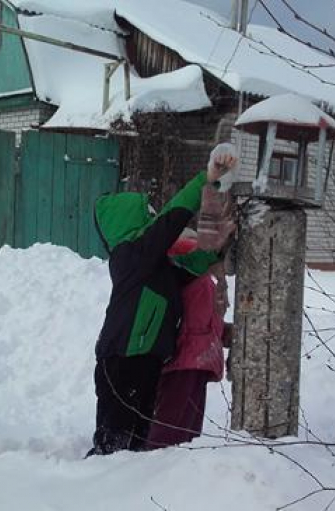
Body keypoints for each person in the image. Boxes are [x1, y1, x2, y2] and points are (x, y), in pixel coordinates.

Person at [88, 149, 236, 456]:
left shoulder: (155, 267)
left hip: (146, 360)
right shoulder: (130, 257)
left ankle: (130, 493)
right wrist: (205, 180)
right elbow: (172, 218)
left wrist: (216, 249)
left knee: (138, 441)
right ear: (131, 223)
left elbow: (188, 270)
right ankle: (94, 490)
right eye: (149, 216)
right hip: (122, 360)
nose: (156, 219)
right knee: (114, 441)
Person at [145, 236, 233, 449]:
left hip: (195, 361)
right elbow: (189, 322)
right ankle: (152, 469)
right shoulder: (191, 280)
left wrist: (224, 333)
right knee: (172, 427)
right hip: (184, 361)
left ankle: (176, 469)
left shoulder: (201, 281)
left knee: (187, 429)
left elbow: (203, 320)